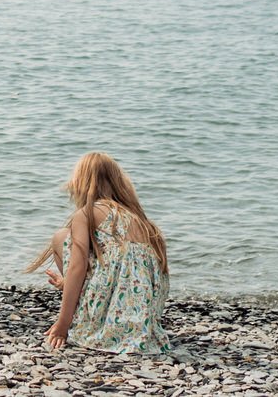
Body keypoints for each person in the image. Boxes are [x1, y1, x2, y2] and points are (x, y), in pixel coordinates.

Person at [27, 151, 172, 353]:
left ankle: (81, 309)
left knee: (61, 236)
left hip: (109, 309)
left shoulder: (86, 213)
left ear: (80, 182)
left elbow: (78, 267)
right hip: (143, 315)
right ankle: (76, 291)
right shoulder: (142, 221)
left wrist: (62, 326)